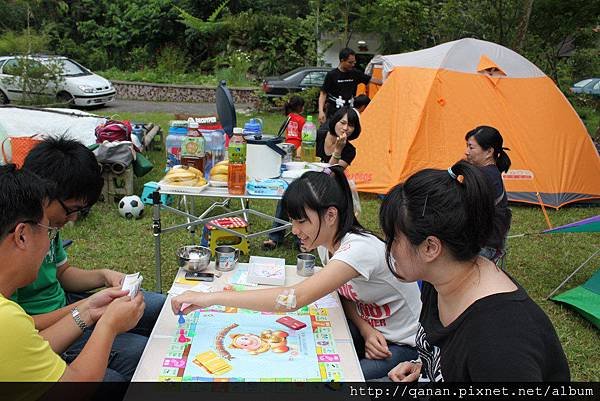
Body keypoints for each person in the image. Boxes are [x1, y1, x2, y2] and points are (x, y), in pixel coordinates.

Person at [173, 166, 422, 380]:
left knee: (338, 381)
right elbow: (345, 294)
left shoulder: (358, 249)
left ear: (331, 215)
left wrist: (211, 297)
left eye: (301, 221)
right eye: (292, 220)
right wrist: (366, 329)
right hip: (372, 333)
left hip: (407, 347)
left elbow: (292, 299)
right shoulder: (328, 245)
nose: (294, 230)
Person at [379, 160, 570, 382]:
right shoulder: (441, 278)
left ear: (430, 248)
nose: (389, 247)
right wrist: (424, 366)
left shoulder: (499, 342)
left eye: (394, 238)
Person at [12, 137, 166, 381]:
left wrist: (103, 276)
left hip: (66, 309)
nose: (72, 219)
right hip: (53, 327)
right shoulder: (17, 256)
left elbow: (62, 273)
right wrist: (89, 311)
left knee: (158, 306)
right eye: (71, 209)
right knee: (140, 352)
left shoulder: (45, 227)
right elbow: (27, 328)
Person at [464, 126, 512, 263]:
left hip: (484, 247)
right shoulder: (487, 172)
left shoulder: (485, 177)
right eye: (467, 146)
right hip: (485, 242)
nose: (466, 152)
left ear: (489, 152)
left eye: (471, 147)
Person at [318, 48, 382, 124]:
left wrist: (390, 79)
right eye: (350, 62)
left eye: (354, 62)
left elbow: (374, 80)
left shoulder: (355, 73)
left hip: (349, 110)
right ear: (342, 61)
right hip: (334, 112)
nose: (353, 65)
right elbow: (323, 94)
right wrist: (321, 111)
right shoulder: (332, 75)